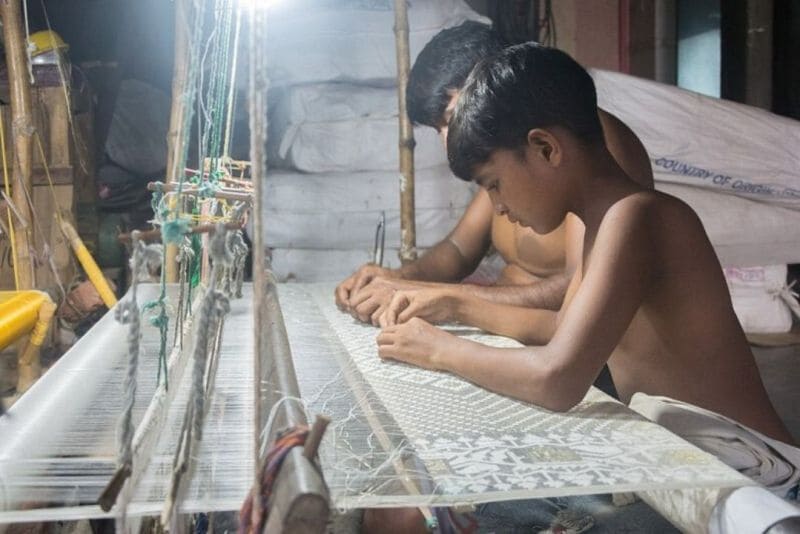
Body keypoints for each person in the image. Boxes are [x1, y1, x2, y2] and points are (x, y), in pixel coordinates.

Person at [367, 42, 799, 533]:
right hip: (679, 462)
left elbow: (558, 378)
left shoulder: (636, 217)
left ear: (546, 149)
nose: (498, 207)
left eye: (494, 184)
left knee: (472, 514)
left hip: (748, 490)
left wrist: (440, 350)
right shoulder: (600, 224)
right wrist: (450, 309)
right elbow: (562, 328)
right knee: (459, 506)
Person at [334, 22, 653, 339]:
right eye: (438, 130)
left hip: (566, 349)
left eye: (450, 119)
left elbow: (581, 291)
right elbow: (458, 250)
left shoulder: (587, 144)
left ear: (492, 83)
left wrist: (442, 300)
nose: (448, 142)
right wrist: (398, 277)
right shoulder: (506, 155)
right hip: (513, 338)